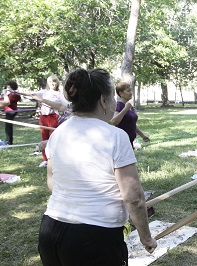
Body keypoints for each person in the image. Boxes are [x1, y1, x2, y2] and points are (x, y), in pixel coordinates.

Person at [38, 68, 157, 266]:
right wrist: (146, 238)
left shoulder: (58, 133)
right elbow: (133, 197)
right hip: (94, 238)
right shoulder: (116, 136)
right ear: (103, 100)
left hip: (50, 231)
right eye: (112, 97)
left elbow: (52, 183)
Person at [19, 75, 69, 167]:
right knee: (44, 137)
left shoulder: (59, 94)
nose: (52, 83)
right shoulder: (44, 92)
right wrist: (16, 92)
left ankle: (55, 159)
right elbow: (31, 93)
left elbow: (65, 105)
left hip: (53, 117)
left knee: (53, 138)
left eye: (54, 81)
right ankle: (46, 159)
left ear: (57, 82)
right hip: (43, 117)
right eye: (50, 82)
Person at [110, 82, 150, 147]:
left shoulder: (129, 105)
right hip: (121, 141)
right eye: (128, 91)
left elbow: (132, 123)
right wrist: (125, 109)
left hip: (130, 140)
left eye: (131, 90)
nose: (131, 92)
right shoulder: (119, 105)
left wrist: (142, 135)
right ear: (121, 93)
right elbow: (114, 121)